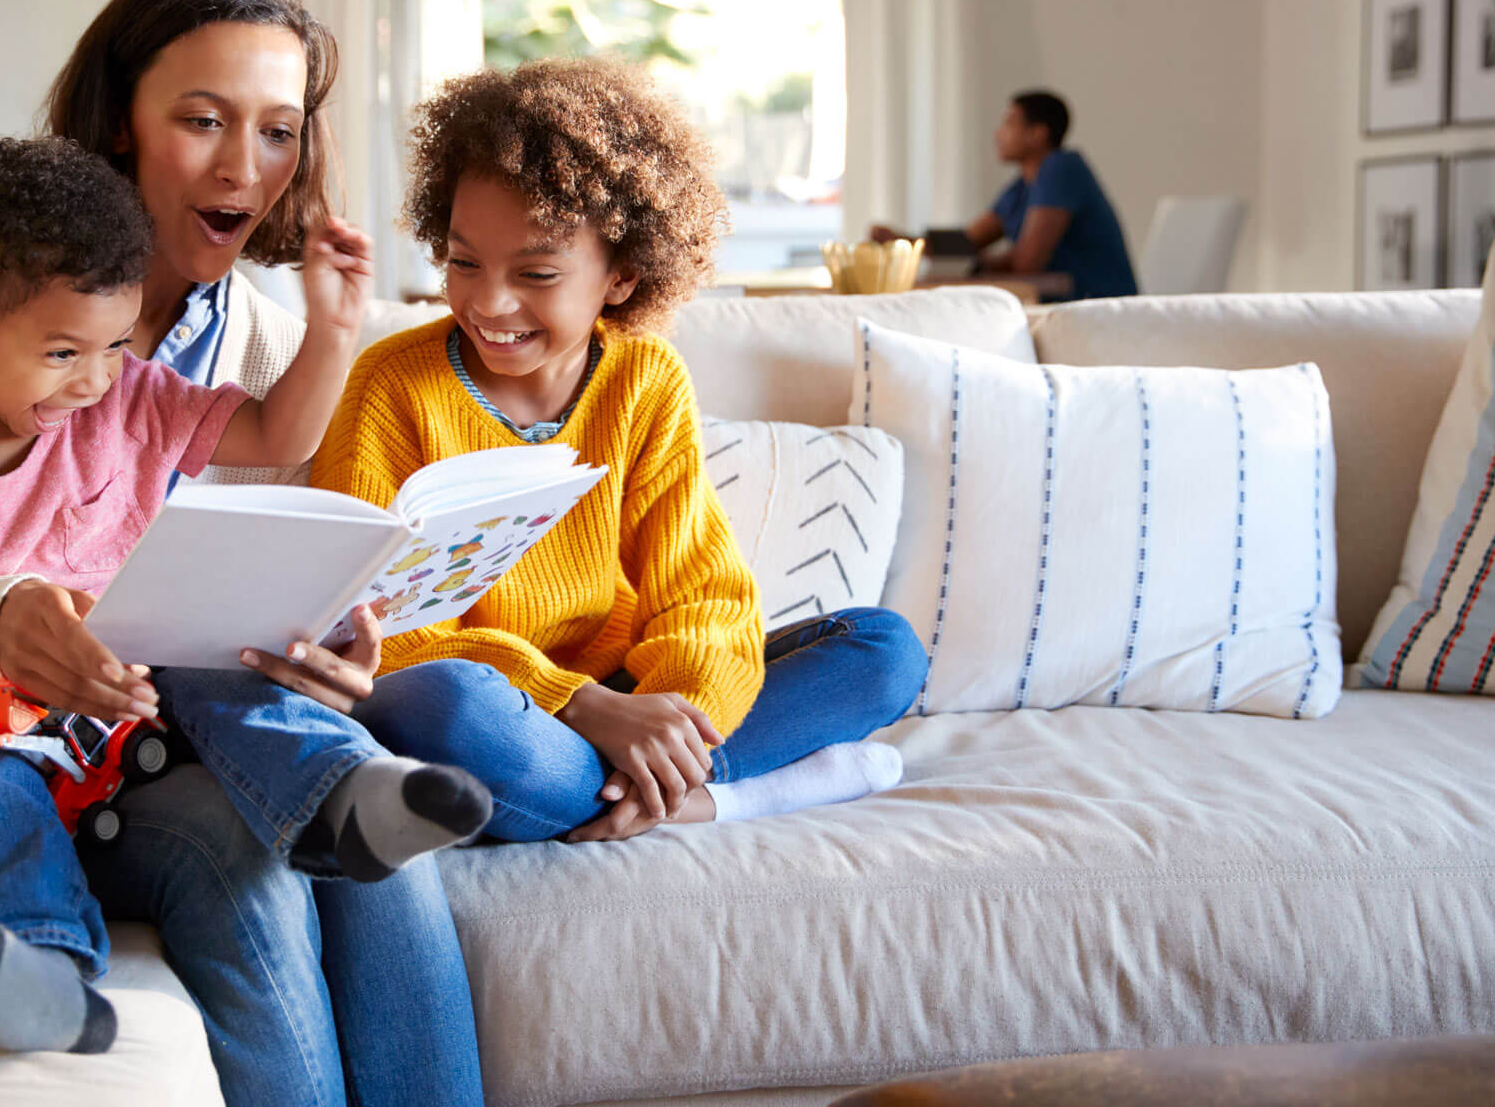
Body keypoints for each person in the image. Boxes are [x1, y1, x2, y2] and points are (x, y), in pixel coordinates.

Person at [0, 0, 485, 1105]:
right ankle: (31, 951)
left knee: (357, 855)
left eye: (278, 131)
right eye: (202, 120)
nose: (245, 167)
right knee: (233, 868)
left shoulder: (281, 361)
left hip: (162, 739)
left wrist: (334, 649)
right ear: (119, 125)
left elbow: (301, 565)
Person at [307, 58, 930, 845]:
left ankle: (653, 790)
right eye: (463, 262)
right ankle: (726, 792)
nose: (488, 303)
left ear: (622, 277)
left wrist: (667, 721)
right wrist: (581, 706)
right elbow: (368, 624)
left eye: (535, 272)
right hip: (504, 704)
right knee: (452, 705)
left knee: (882, 648)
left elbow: (700, 596)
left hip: (626, 694)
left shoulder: (644, 378)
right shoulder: (391, 384)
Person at [870, 90, 1137, 301]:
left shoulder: (1061, 169)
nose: (999, 134)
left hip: (1099, 307)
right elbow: (969, 241)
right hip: (1059, 303)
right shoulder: (1022, 187)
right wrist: (903, 241)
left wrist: (971, 266)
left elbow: (1026, 262)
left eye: (1009, 123)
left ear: (1037, 134)